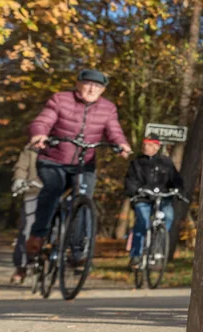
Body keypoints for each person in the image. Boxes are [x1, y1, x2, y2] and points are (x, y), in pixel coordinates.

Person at [25, 69, 132, 259]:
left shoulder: (108, 108)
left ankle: (78, 249)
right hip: (53, 160)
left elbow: (114, 130)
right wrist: (40, 134)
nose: (92, 89)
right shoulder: (60, 99)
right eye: (88, 84)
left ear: (103, 90)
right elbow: (43, 120)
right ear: (78, 84)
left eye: (97, 86)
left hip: (84, 163)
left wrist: (121, 144)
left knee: (83, 198)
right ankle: (38, 235)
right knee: (53, 190)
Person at [124, 136, 183, 269]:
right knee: (143, 222)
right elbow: (130, 181)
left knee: (168, 216)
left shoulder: (165, 162)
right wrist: (136, 191)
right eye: (144, 145)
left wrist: (178, 190)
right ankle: (136, 255)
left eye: (149, 145)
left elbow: (176, 179)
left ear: (156, 147)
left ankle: (157, 248)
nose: (146, 147)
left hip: (162, 198)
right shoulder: (137, 162)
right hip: (142, 198)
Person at [9, 147, 41, 284]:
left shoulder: (68, 142)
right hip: (34, 191)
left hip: (58, 193)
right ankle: (21, 266)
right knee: (27, 227)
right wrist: (19, 179)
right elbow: (21, 166)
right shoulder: (32, 146)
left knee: (60, 227)